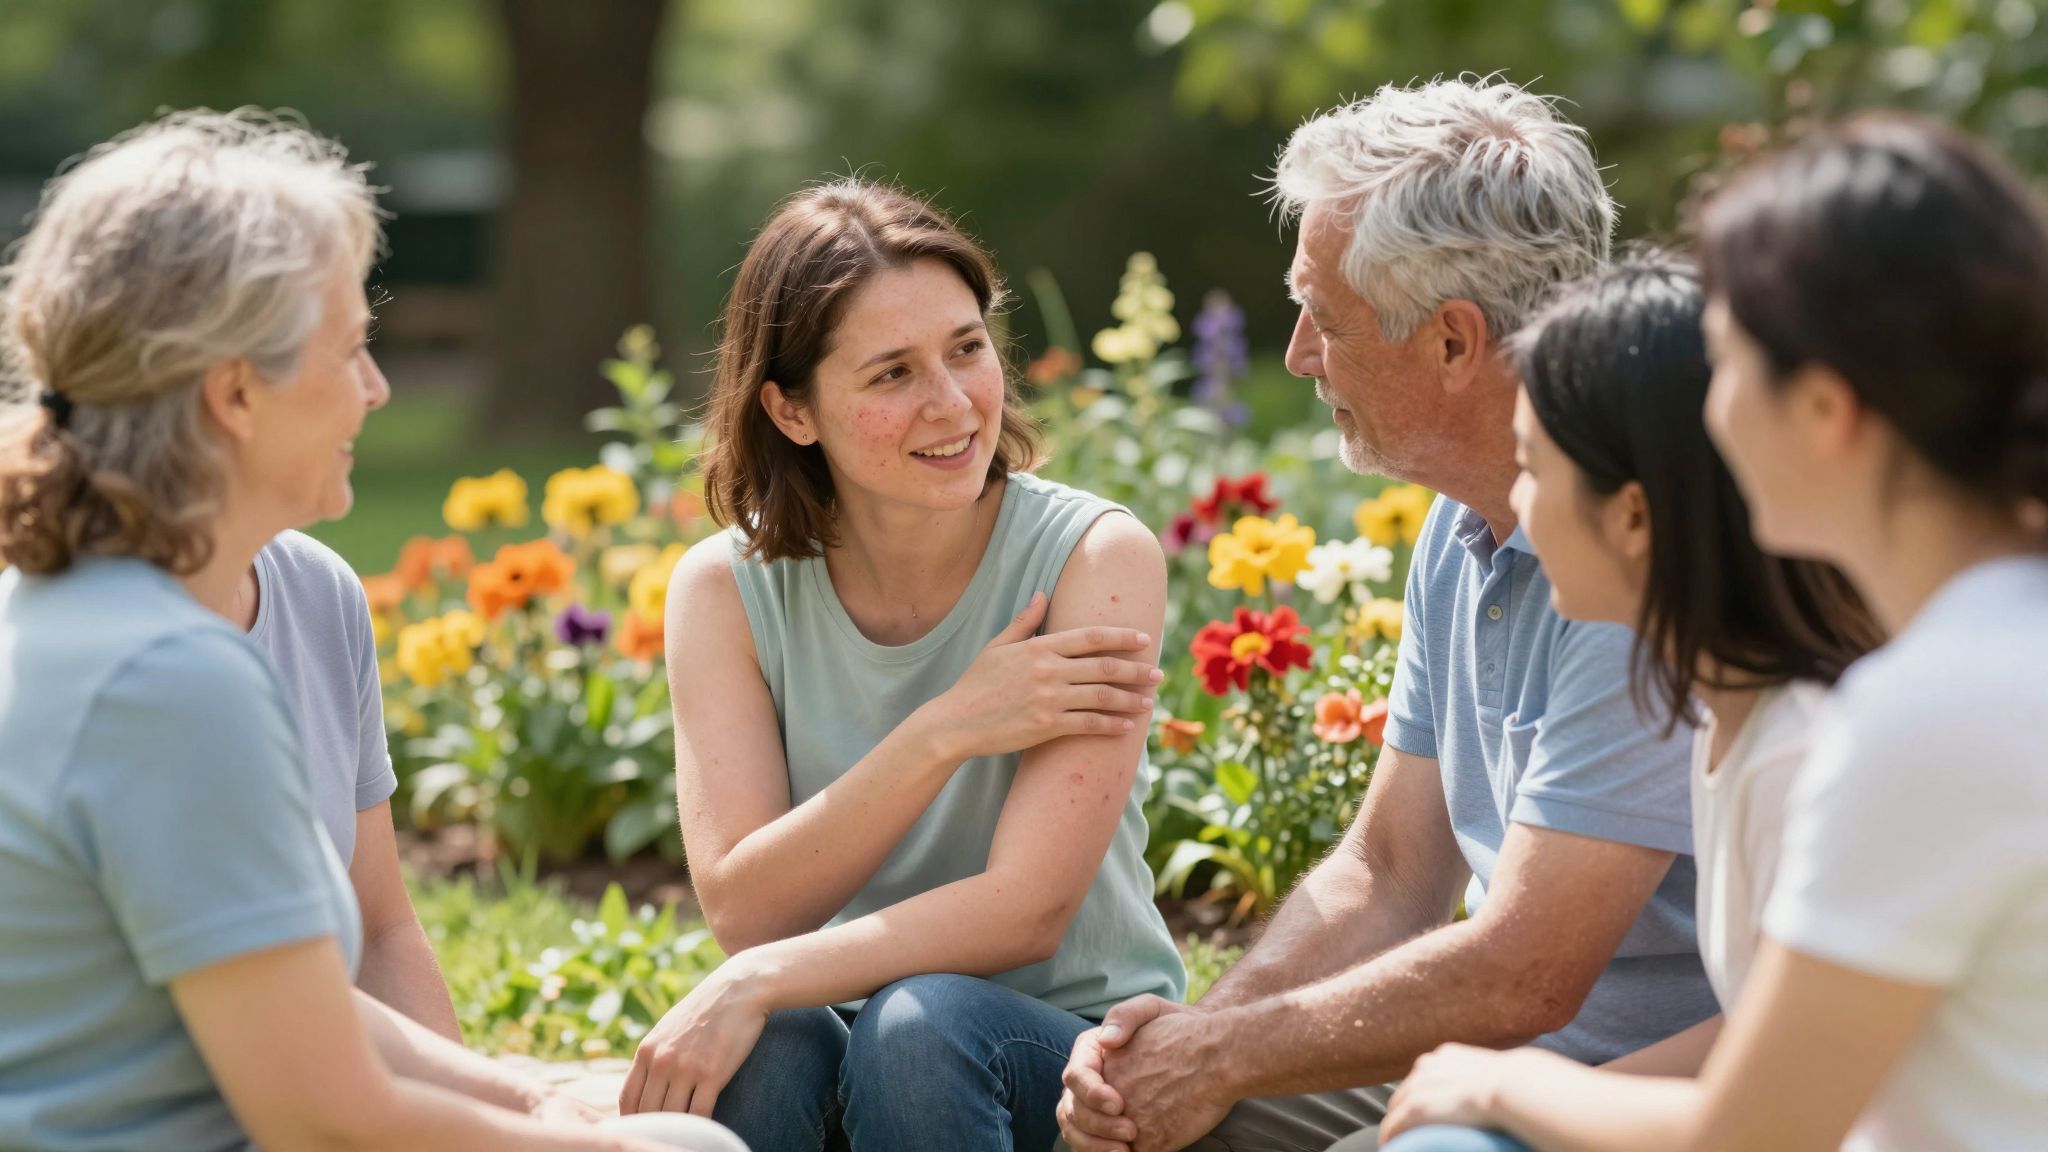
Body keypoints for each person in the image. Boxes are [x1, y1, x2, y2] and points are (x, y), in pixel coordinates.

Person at [0, 109, 715, 1152]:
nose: (376, 391)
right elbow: (322, 1113)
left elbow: (312, 984)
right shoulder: (165, 679)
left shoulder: (87, 612)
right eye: (350, 353)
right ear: (236, 391)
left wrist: (526, 1101)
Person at [1059, 77, 1717, 1152]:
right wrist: (1195, 1039)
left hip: (1654, 1092)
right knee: (1152, 1118)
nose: (1294, 356)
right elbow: (1390, 871)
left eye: (1320, 316)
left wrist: (1222, 1058)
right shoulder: (1460, 530)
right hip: (1501, 1056)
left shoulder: (1635, 566)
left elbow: (1523, 975)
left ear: (1453, 344)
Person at [619, 178, 1186, 1152]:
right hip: (845, 1026)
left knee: (916, 1028)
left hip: (1068, 1057)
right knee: (767, 1048)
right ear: (791, 411)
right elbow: (749, 908)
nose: (952, 401)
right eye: (890, 374)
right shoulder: (724, 589)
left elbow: (1028, 913)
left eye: (966, 349)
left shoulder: (1092, 558)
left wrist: (756, 979)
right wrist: (944, 730)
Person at [1374, 255, 1879, 1152]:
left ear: (1636, 518)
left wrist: (1507, 1087)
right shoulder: (1724, 715)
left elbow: (1769, 1115)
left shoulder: (1801, 749)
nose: (1514, 502)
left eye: (1532, 467)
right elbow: (1750, 1030)